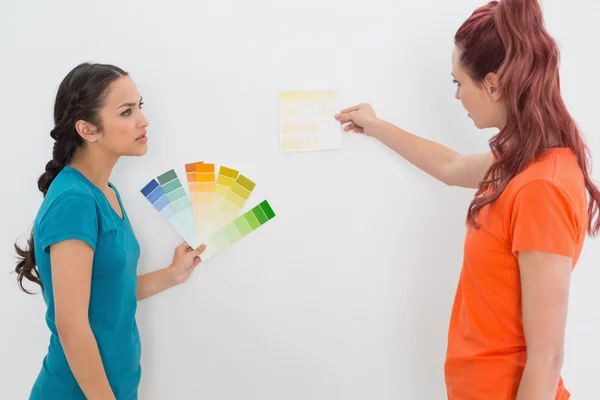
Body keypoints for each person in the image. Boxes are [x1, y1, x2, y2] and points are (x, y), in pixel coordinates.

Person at [335, 0, 599, 398]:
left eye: (459, 83)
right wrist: (374, 125)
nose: (457, 95)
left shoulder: (541, 187)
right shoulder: (522, 163)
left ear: (492, 84)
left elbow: (547, 358)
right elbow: (452, 165)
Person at [14, 62, 206, 400]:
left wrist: (172, 275)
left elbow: (106, 294)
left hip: (115, 388)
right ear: (88, 129)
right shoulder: (74, 200)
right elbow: (71, 325)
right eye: (127, 111)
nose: (143, 120)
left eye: (139, 107)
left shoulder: (105, 192)